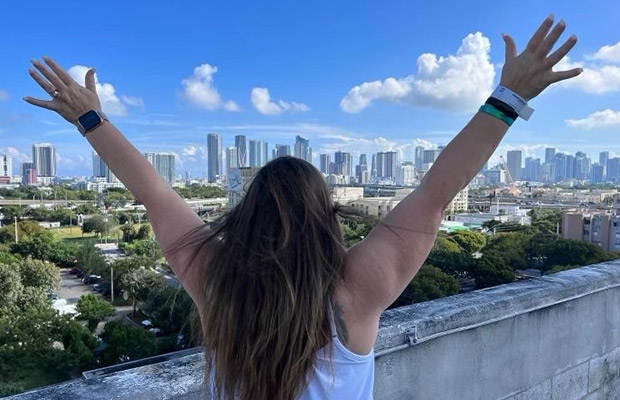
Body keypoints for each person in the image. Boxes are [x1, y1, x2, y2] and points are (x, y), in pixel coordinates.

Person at [24, 15, 581, 400]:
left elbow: (154, 193)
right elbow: (435, 197)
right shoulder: (356, 289)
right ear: (325, 216)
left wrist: (89, 119)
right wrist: (511, 96)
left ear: (246, 217)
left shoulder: (215, 278)